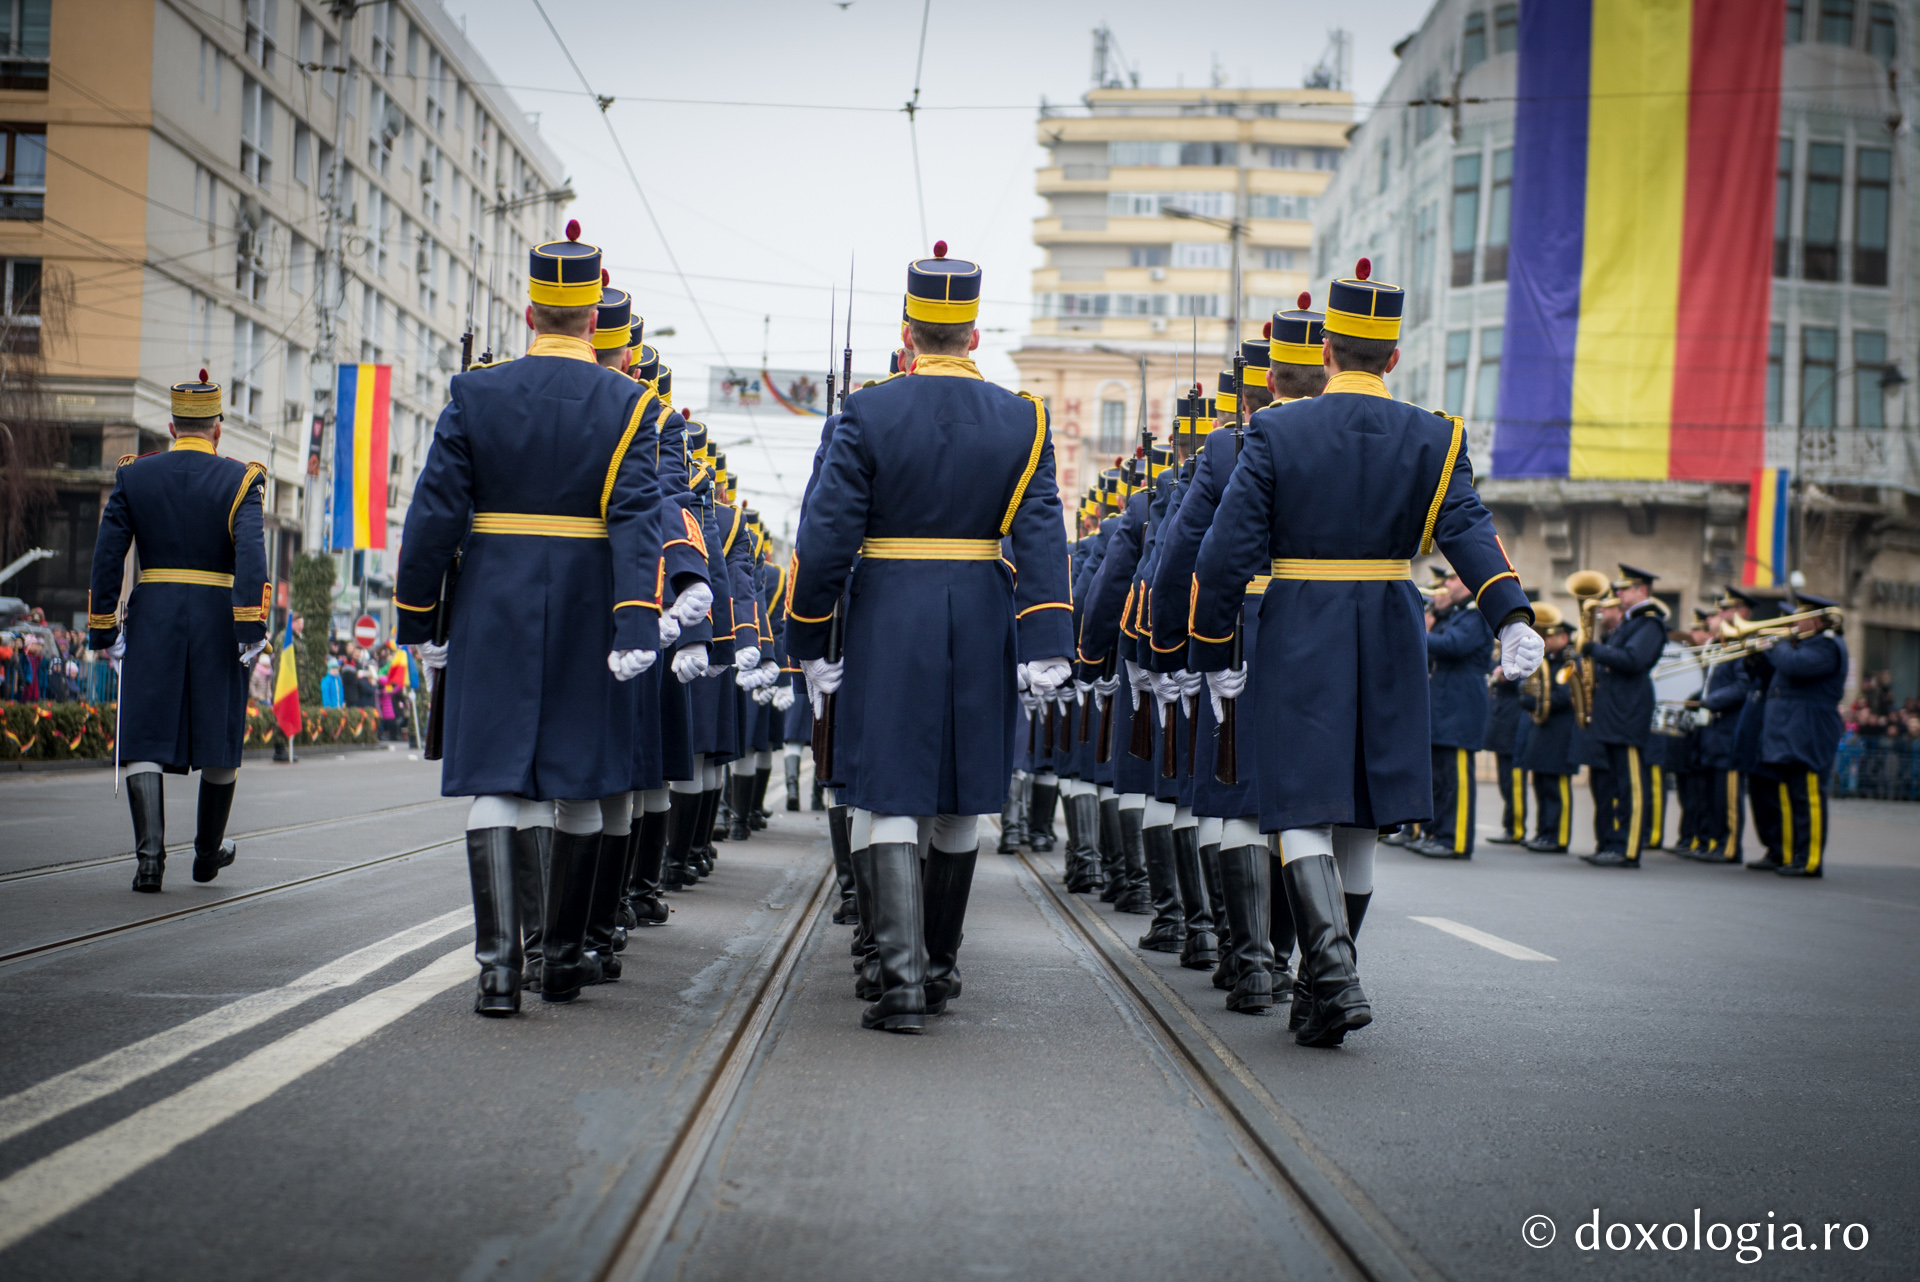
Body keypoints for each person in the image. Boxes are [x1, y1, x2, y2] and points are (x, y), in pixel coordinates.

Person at [1190, 259, 1540, 1048]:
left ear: (1327, 354)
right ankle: (1321, 990)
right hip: (1389, 619)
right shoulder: (1434, 433)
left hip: (1301, 622)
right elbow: (1469, 532)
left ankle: (1335, 977)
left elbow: (1222, 556)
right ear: (1393, 356)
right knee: (1361, 816)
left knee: (1302, 805)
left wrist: (1216, 645)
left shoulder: (1276, 429)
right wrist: (1509, 614)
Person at [787, 242, 1074, 1034]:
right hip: (982, 612)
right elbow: (1041, 533)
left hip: (888, 614)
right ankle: (940, 966)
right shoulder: (1025, 418)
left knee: (889, 792)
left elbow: (828, 533)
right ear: (973, 336)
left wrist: (808, 633)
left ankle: (901, 978)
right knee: (958, 797)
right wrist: (1050, 638)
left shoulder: (868, 411)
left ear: (908, 333)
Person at [394, 222, 667, 1016]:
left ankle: (497, 971)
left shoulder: (475, 393)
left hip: (495, 601)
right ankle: (562, 956)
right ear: (592, 319)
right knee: (577, 787)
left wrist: (422, 620)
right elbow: (637, 519)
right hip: (588, 602)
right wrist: (635, 623)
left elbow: (435, 514)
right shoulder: (631, 402)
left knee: (497, 780)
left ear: (528, 313)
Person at [86, 372, 269, 892]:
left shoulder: (134, 476)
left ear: (171, 426)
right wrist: (250, 625)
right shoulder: (241, 479)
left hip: (155, 613)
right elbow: (252, 556)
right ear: (217, 428)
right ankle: (207, 854)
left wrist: (104, 628)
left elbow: (107, 557)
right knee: (219, 735)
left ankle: (149, 861)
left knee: (145, 728)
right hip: (217, 616)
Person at [1580, 565, 1667, 868]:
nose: (1617, 594)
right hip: (1613, 710)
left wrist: (1595, 649)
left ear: (1642, 590)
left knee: (1631, 785)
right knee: (1612, 784)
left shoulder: (1650, 623)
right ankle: (1611, 843)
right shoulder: (1630, 624)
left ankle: (1628, 849)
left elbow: (1633, 660)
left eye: (1624, 589)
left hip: (1628, 712)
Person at [1755, 595, 1847, 878]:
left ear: (1817, 620)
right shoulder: (1801, 646)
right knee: (1790, 796)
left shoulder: (1827, 646)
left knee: (1808, 797)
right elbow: (1776, 673)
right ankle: (1791, 853)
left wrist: (1779, 643)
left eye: (1799, 617)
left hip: (1810, 730)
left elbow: (1796, 666)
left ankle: (1809, 859)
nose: (1793, 622)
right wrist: (1757, 655)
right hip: (1790, 729)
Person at [1413, 565, 1494, 860]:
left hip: (1461, 707)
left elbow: (1453, 645)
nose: (1446, 584)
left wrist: (1415, 633)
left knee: (1456, 779)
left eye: (1452, 578)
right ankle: (1440, 834)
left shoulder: (1475, 614)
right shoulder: (1460, 614)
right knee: (1442, 779)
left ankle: (1456, 840)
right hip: (1448, 705)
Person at [1514, 604, 1580, 851]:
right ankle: (1543, 833)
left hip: (1561, 731)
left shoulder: (1569, 662)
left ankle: (1558, 837)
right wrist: (1529, 696)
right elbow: (1528, 689)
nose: (1545, 638)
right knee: (1542, 786)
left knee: (1557, 788)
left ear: (1564, 637)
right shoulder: (1544, 661)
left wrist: (1541, 698)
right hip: (1542, 730)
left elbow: (1566, 695)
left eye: (1550, 635)